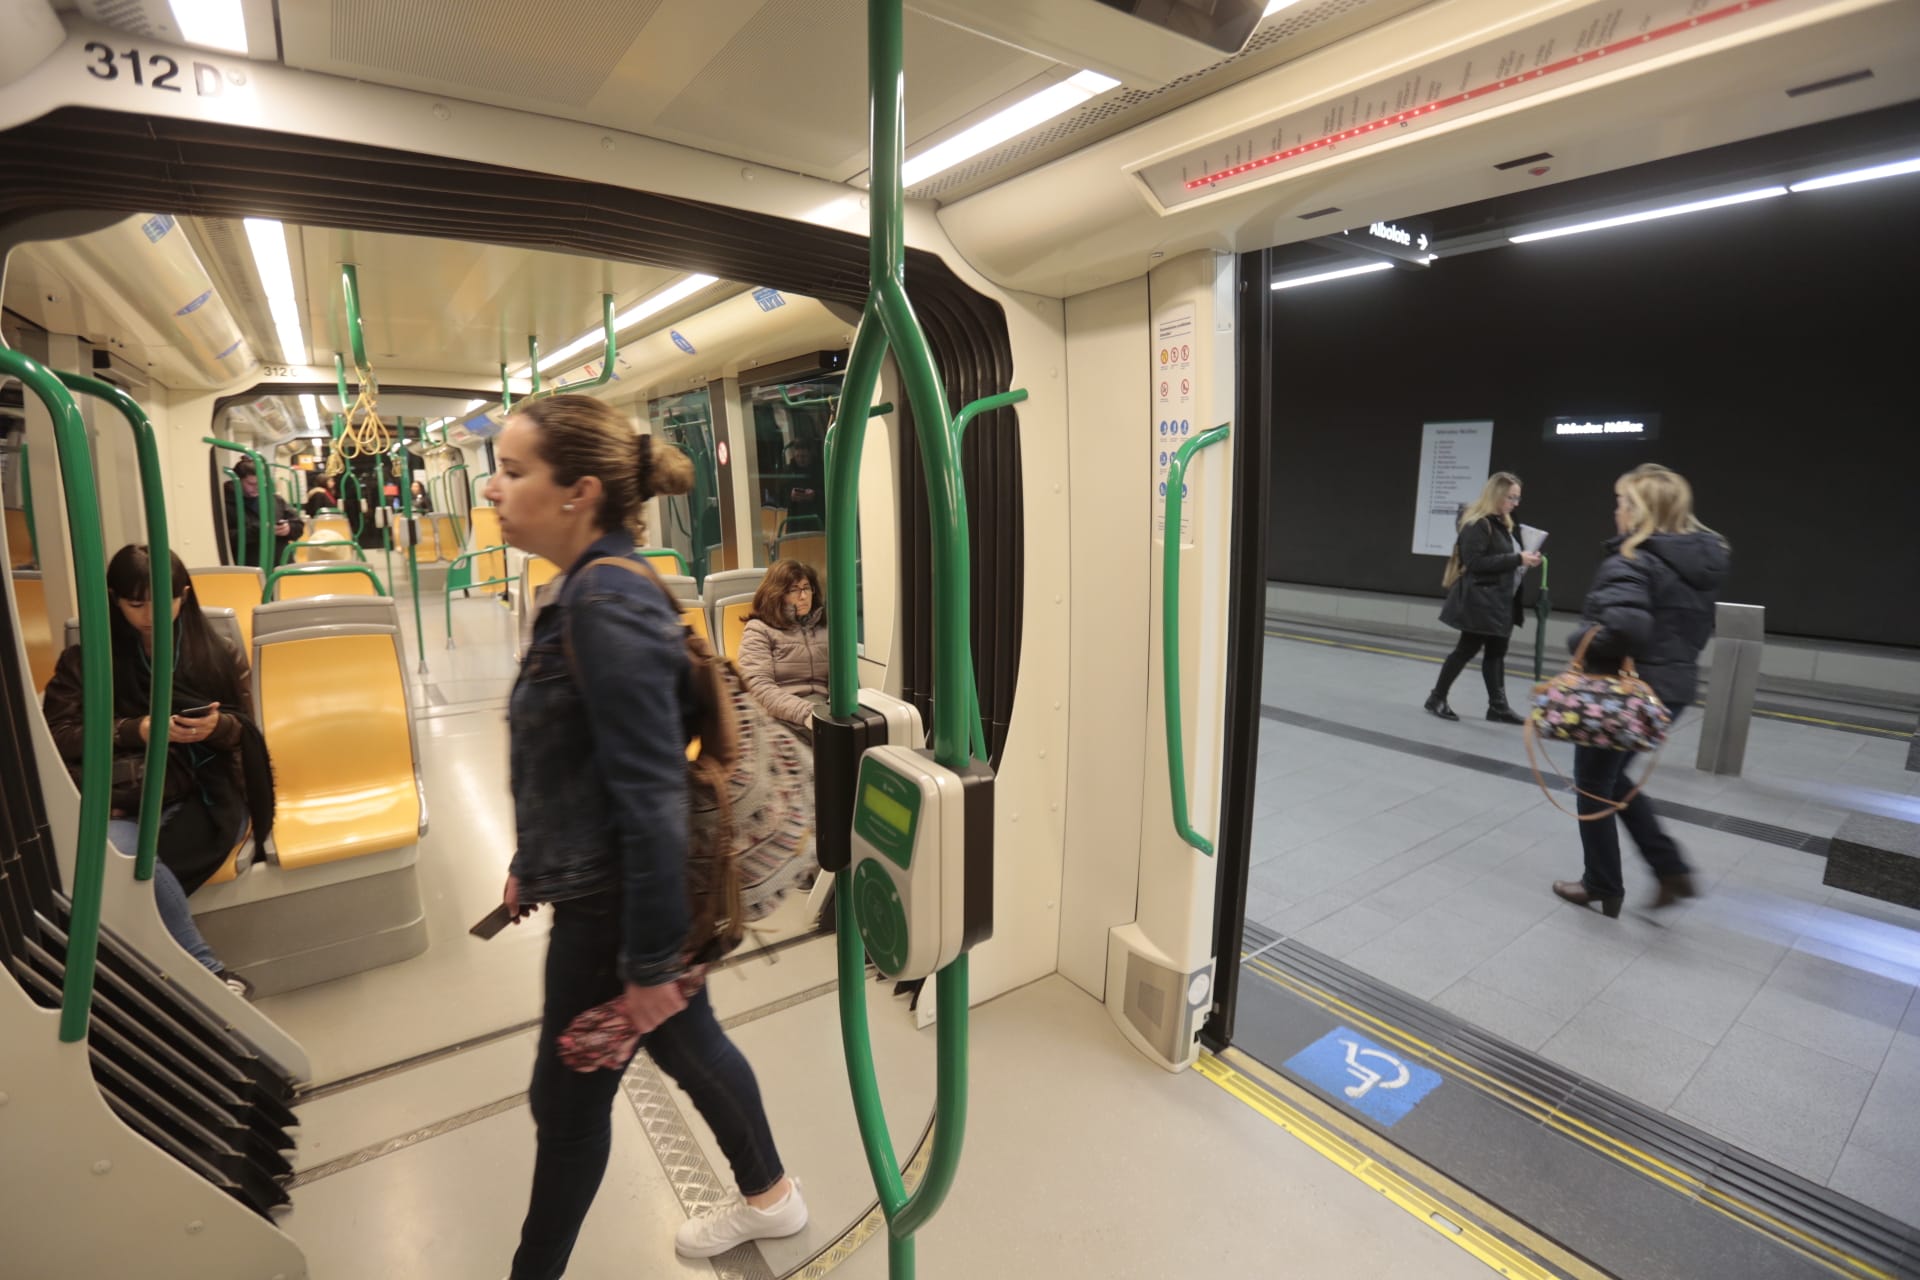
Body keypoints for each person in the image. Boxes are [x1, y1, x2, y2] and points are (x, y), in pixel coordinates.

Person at [483, 394, 806, 1278]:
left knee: (568, 1105)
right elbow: (572, 762)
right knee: (687, 1042)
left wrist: (652, 958)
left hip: (616, 913)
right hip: (604, 888)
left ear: (578, 491)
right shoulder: (594, 585)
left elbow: (650, 788)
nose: (492, 489)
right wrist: (528, 862)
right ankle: (774, 1197)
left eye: (514, 472)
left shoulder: (601, 605)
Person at [41, 546, 274, 998]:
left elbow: (244, 730)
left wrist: (216, 725)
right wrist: (139, 729)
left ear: (183, 596)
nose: (150, 614)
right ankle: (208, 974)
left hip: (205, 793)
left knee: (116, 875)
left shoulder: (216, 653)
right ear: (114, 601)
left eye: (163, 600)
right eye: (135, 603)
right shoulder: (88, 661)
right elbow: (60, 732)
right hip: (126, 798)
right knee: (124, 860)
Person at [1552, 465, 1729, 917]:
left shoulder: (1633, 558)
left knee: (1592, 782)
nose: (1616, 510)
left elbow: (1624, 626)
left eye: (1621, 502)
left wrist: (1581, 643)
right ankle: (1669, 868)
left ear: (1638, 510)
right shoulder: (1697, 566)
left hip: (1624, 694)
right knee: (1613, 777)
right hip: (1670, 688)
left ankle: (1602, 883)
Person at [1425, 471, 1542, 724]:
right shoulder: (1477, 523)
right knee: (1466, 649)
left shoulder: (1504, 523)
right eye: (1511, 497)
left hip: (1502, 601)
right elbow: (1475, 562)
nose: (1515, 503)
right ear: (1497, 494)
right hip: (1482, 601)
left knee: (1497, 652)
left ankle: (1498, 707)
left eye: (1518, 498)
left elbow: (1503, 559)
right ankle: (1437, 697)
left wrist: (1525, 559)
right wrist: (1517, 559)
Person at [736, 559, 828, 745]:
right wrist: (806, 712)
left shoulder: (826, 628)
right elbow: (759, 688)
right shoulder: (759, 629)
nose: (803, 596)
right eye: (794, 590)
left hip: (823, 713)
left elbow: (846, 679)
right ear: (777, 594)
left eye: (807, 588)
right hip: (781, 717)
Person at [222, 457, 303, 567]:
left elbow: (298, 524)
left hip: (281, 565)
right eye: (251, 484)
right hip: (248, 567)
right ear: (237, 481)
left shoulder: (274, 499)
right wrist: (257, 531)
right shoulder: (224, 503)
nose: (257, 488)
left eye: (261, 483)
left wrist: (289, 528)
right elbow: (224, 538)